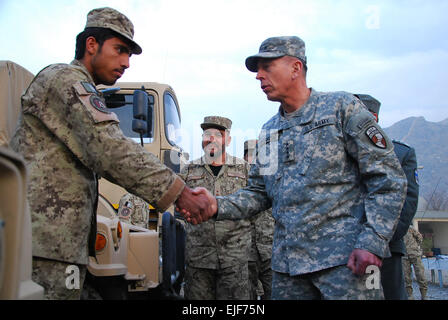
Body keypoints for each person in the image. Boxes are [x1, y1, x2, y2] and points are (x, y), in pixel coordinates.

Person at [9, 7, 213, 300]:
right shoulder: (66, 80)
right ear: (91, 44)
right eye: (120, 50)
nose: (126, 62)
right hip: (46, 247)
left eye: (129, 54)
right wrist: (181, 193)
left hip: (57, 246)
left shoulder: (76, 84)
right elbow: (111, 149)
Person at [181, 36, 407, 300]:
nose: (259, 76)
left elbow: (388, 179)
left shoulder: (341, 109)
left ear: (296, 68)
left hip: (345, 264)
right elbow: (258, 192)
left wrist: (372, 241)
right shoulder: (269, 131)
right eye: (257, 69)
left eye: (267, 66)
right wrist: (216, 205)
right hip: (288, 270)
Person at [179, 116, 252, 300]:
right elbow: (176, 202)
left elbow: (255, 205)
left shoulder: (244, 169)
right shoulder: (188, 170)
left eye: (217, 135)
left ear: (227, 140)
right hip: (199, 259)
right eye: (207, 134)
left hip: (234, 260)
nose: (211, 139)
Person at [355, 94, 420, 300]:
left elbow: (408, 203)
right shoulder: (340, 154)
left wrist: (378, 238)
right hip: (347, 247)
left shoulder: (400, 153)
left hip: (387, 249)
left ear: (371, 117)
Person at [244, 139, 274, 300]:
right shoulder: (239, 182)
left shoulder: (272, 180)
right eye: (250, 155)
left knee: (274, 294)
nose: (254, 159)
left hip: (270, 250)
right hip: (246, 252)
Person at [403, 226, 428, 300]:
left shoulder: (410, 228)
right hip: (404, 256)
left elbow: (419, 237)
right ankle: (409, 295)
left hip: (415, 254)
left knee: (420, 274)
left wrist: (415, 247)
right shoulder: (396, 228)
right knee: (406, 276)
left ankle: (424, 295)